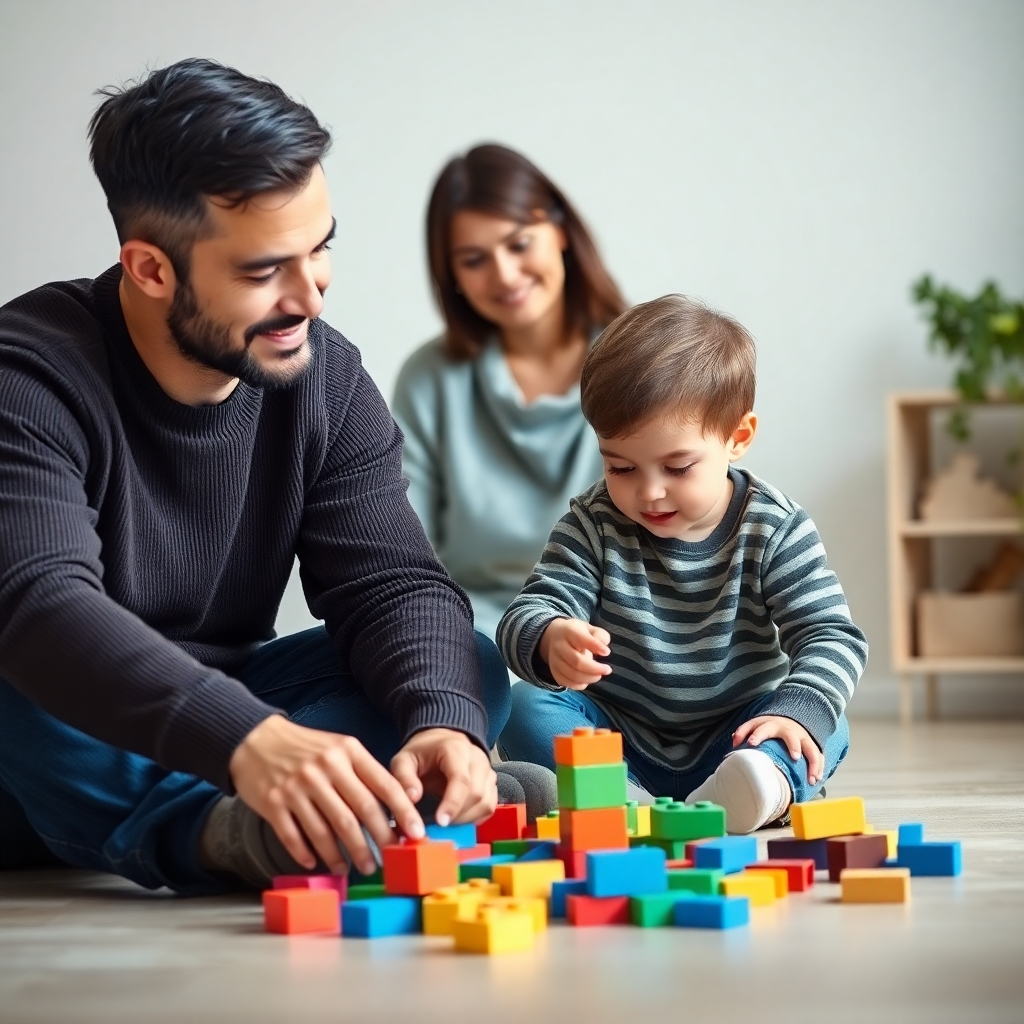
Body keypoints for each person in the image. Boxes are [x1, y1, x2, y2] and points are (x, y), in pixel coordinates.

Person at [0, 59, 512, 894]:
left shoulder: (326, 378)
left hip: (211, 709)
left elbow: (392, 585)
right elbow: (39, 606)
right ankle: (221, 828)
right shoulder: (26, 374)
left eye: (321, 249)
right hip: (54, 731)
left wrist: (444, 725)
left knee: (467, 668)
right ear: (151, 269)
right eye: (263, 269)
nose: (310, 295)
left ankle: (366, 805)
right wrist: (248, 742)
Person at [496, 295, 869, 833]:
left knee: (823, 723)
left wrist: (794, 712)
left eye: (677, 466)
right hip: (614, 745)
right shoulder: (593, 525)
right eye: (621, 467)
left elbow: (832, 635)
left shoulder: (773, 527)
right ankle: (627, 807)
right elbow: (531, 608)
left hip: (738, 738)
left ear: (737, 438)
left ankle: (758, 785)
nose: (649, 492)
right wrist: (550, 637)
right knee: (527, 707)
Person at [392, 145, 625, 641]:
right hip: (478, 640)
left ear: (560, 230)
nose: (503, 274)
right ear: (450, 275)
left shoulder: (640, 358)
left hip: (624, 642)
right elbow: (405, 555)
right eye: (474, 259)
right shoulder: (430, 379)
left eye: (518, 244)